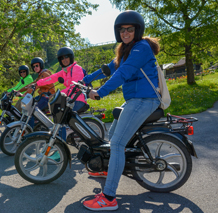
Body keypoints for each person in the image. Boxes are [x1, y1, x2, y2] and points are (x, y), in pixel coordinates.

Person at [82, 10, 161, 211]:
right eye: (122, 29)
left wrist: (100, 92)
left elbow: (123, 74)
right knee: (112, 136)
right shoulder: (126, 49)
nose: (125, 32)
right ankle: (109, 168)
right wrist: (86, 79)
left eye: (130, 29)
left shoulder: (141, 48)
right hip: (135, 100)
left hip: (144, 100)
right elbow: (108, 69)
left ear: (137, 30)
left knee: (117, 143)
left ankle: (109, 198)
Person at [35, 47, 88, 139]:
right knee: (57, 118)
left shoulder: (76, 68)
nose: (64, 60)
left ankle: (61, 144)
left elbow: (74, 87)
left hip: (78, 100)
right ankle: (62, 139)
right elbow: (51, 78)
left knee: (61, 122)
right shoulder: (65, 71)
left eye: (66, 57)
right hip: (70, 100)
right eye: (62, 58)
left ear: (71, 57)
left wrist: (57, 94)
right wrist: (37, 83)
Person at [18, 57, 55, 127]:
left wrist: (24, 94)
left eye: (37, 66)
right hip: (42, 96)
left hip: (47, 98)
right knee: (27, 107)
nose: (35, 68)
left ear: (41, 65)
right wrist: (18, 91)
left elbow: (35, 86)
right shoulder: (40, 75)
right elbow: (30, 85)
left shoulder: (44, 75)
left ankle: (31, 131)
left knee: (31, 111)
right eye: (34, 66)